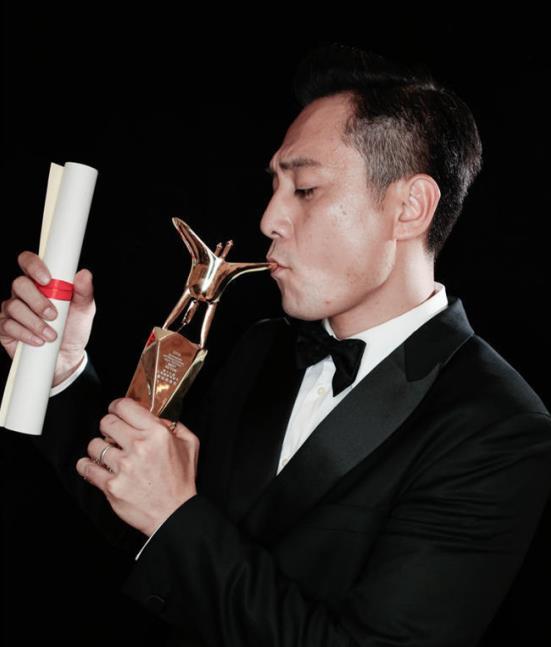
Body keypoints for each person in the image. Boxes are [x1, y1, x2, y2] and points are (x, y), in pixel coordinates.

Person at [2, 42, 551, 647]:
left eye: (305, 189)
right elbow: (142, 521)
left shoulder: (498, 427)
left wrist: (177, 516)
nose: (268, 220)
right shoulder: (262, 349)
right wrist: (61, 367)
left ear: (409, 208)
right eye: (275, 186)